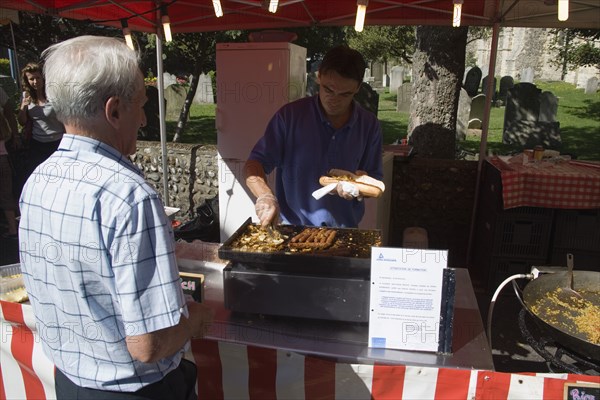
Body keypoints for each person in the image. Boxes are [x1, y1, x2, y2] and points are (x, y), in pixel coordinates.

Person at [18, 36, 213, 399]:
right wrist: (194, 322)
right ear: (114, 111)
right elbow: (148, 344)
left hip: (68, 381)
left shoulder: (37, 180)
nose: (142, 118)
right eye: (140, 105)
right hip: (134, 389)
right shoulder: (130, 196)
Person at [244, 45, 383, 228]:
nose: (334, 99)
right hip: (293, 228)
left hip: (346, 230)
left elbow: (374, 180)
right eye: (328, 89)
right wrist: (265, 195)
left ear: (357, 88)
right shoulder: (289, 117)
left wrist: (357, 187)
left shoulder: (369, 125)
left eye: (345, 94)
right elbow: (254, 164)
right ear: (319, 77)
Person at [17, 62, 65, 176]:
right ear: (27, 81)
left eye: (37, 78)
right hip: (37, 144)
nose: (35, 82)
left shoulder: (54, 95)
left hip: (57, 142)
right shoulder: (26, 96)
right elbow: (22, 122)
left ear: (43, 78)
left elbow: (65, 118)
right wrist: (23, 107)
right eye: (31, 79)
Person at [0, 86, 19, 239]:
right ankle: (12, 227)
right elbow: (10, 113)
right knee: (6, 192)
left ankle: (12, 227)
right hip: (3, 155)